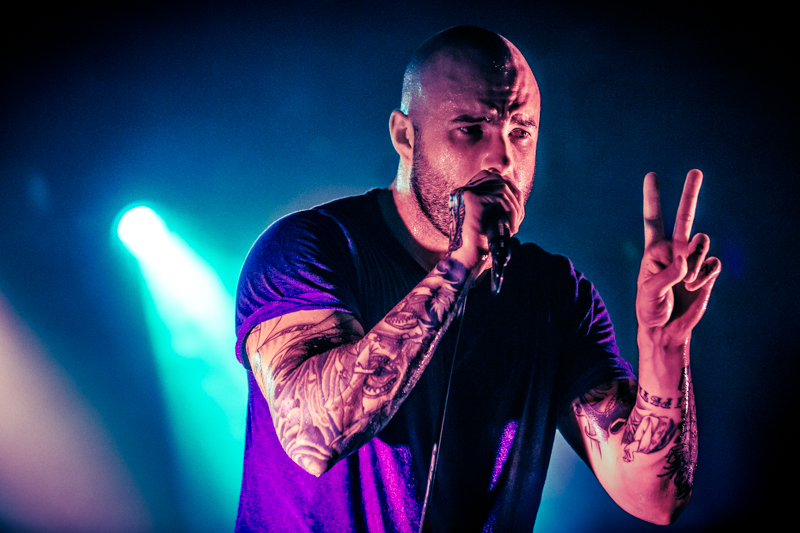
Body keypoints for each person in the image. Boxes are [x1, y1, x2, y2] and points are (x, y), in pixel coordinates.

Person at [233, 26, 721, 532]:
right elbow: (311, 438)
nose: (501, 159)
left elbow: (655, 498)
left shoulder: (556, 295)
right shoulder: (308, 250)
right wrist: (461, 264)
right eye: (470, 129)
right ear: (405, 137)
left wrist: (664, 348)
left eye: (520, 132)